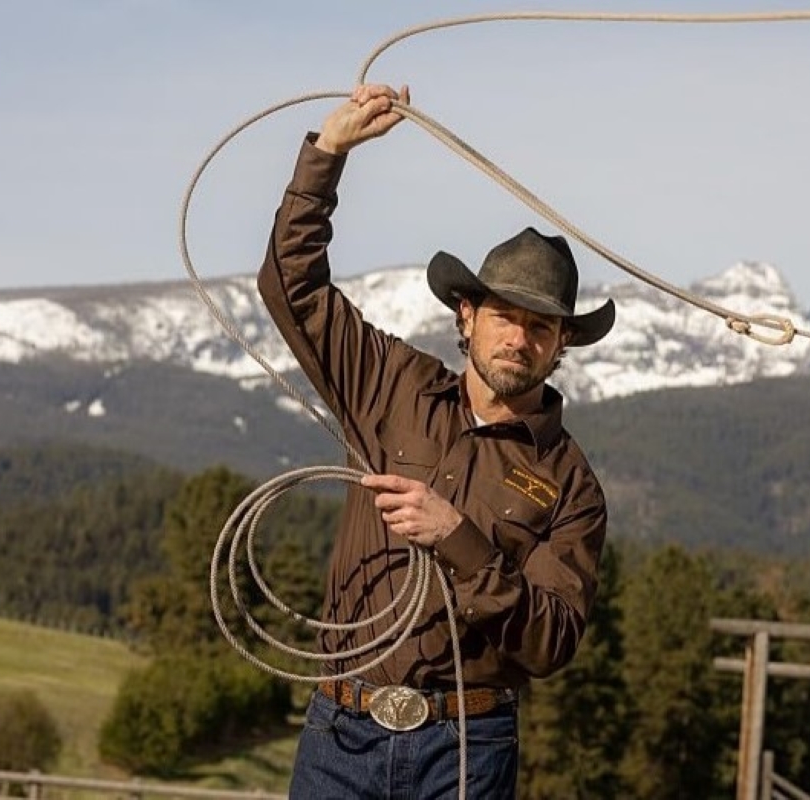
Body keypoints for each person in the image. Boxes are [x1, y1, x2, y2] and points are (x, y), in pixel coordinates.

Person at [256, 83, 614, 800]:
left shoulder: (571, 484)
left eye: (540, 326)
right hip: (340, 730)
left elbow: (550, 643)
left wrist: (459, 539)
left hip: (465, 748)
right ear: (466, 314)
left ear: (560, 345)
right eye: (505, 316)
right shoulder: (393, 387)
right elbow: (292, 286)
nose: (519, 337)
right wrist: (328, 154)